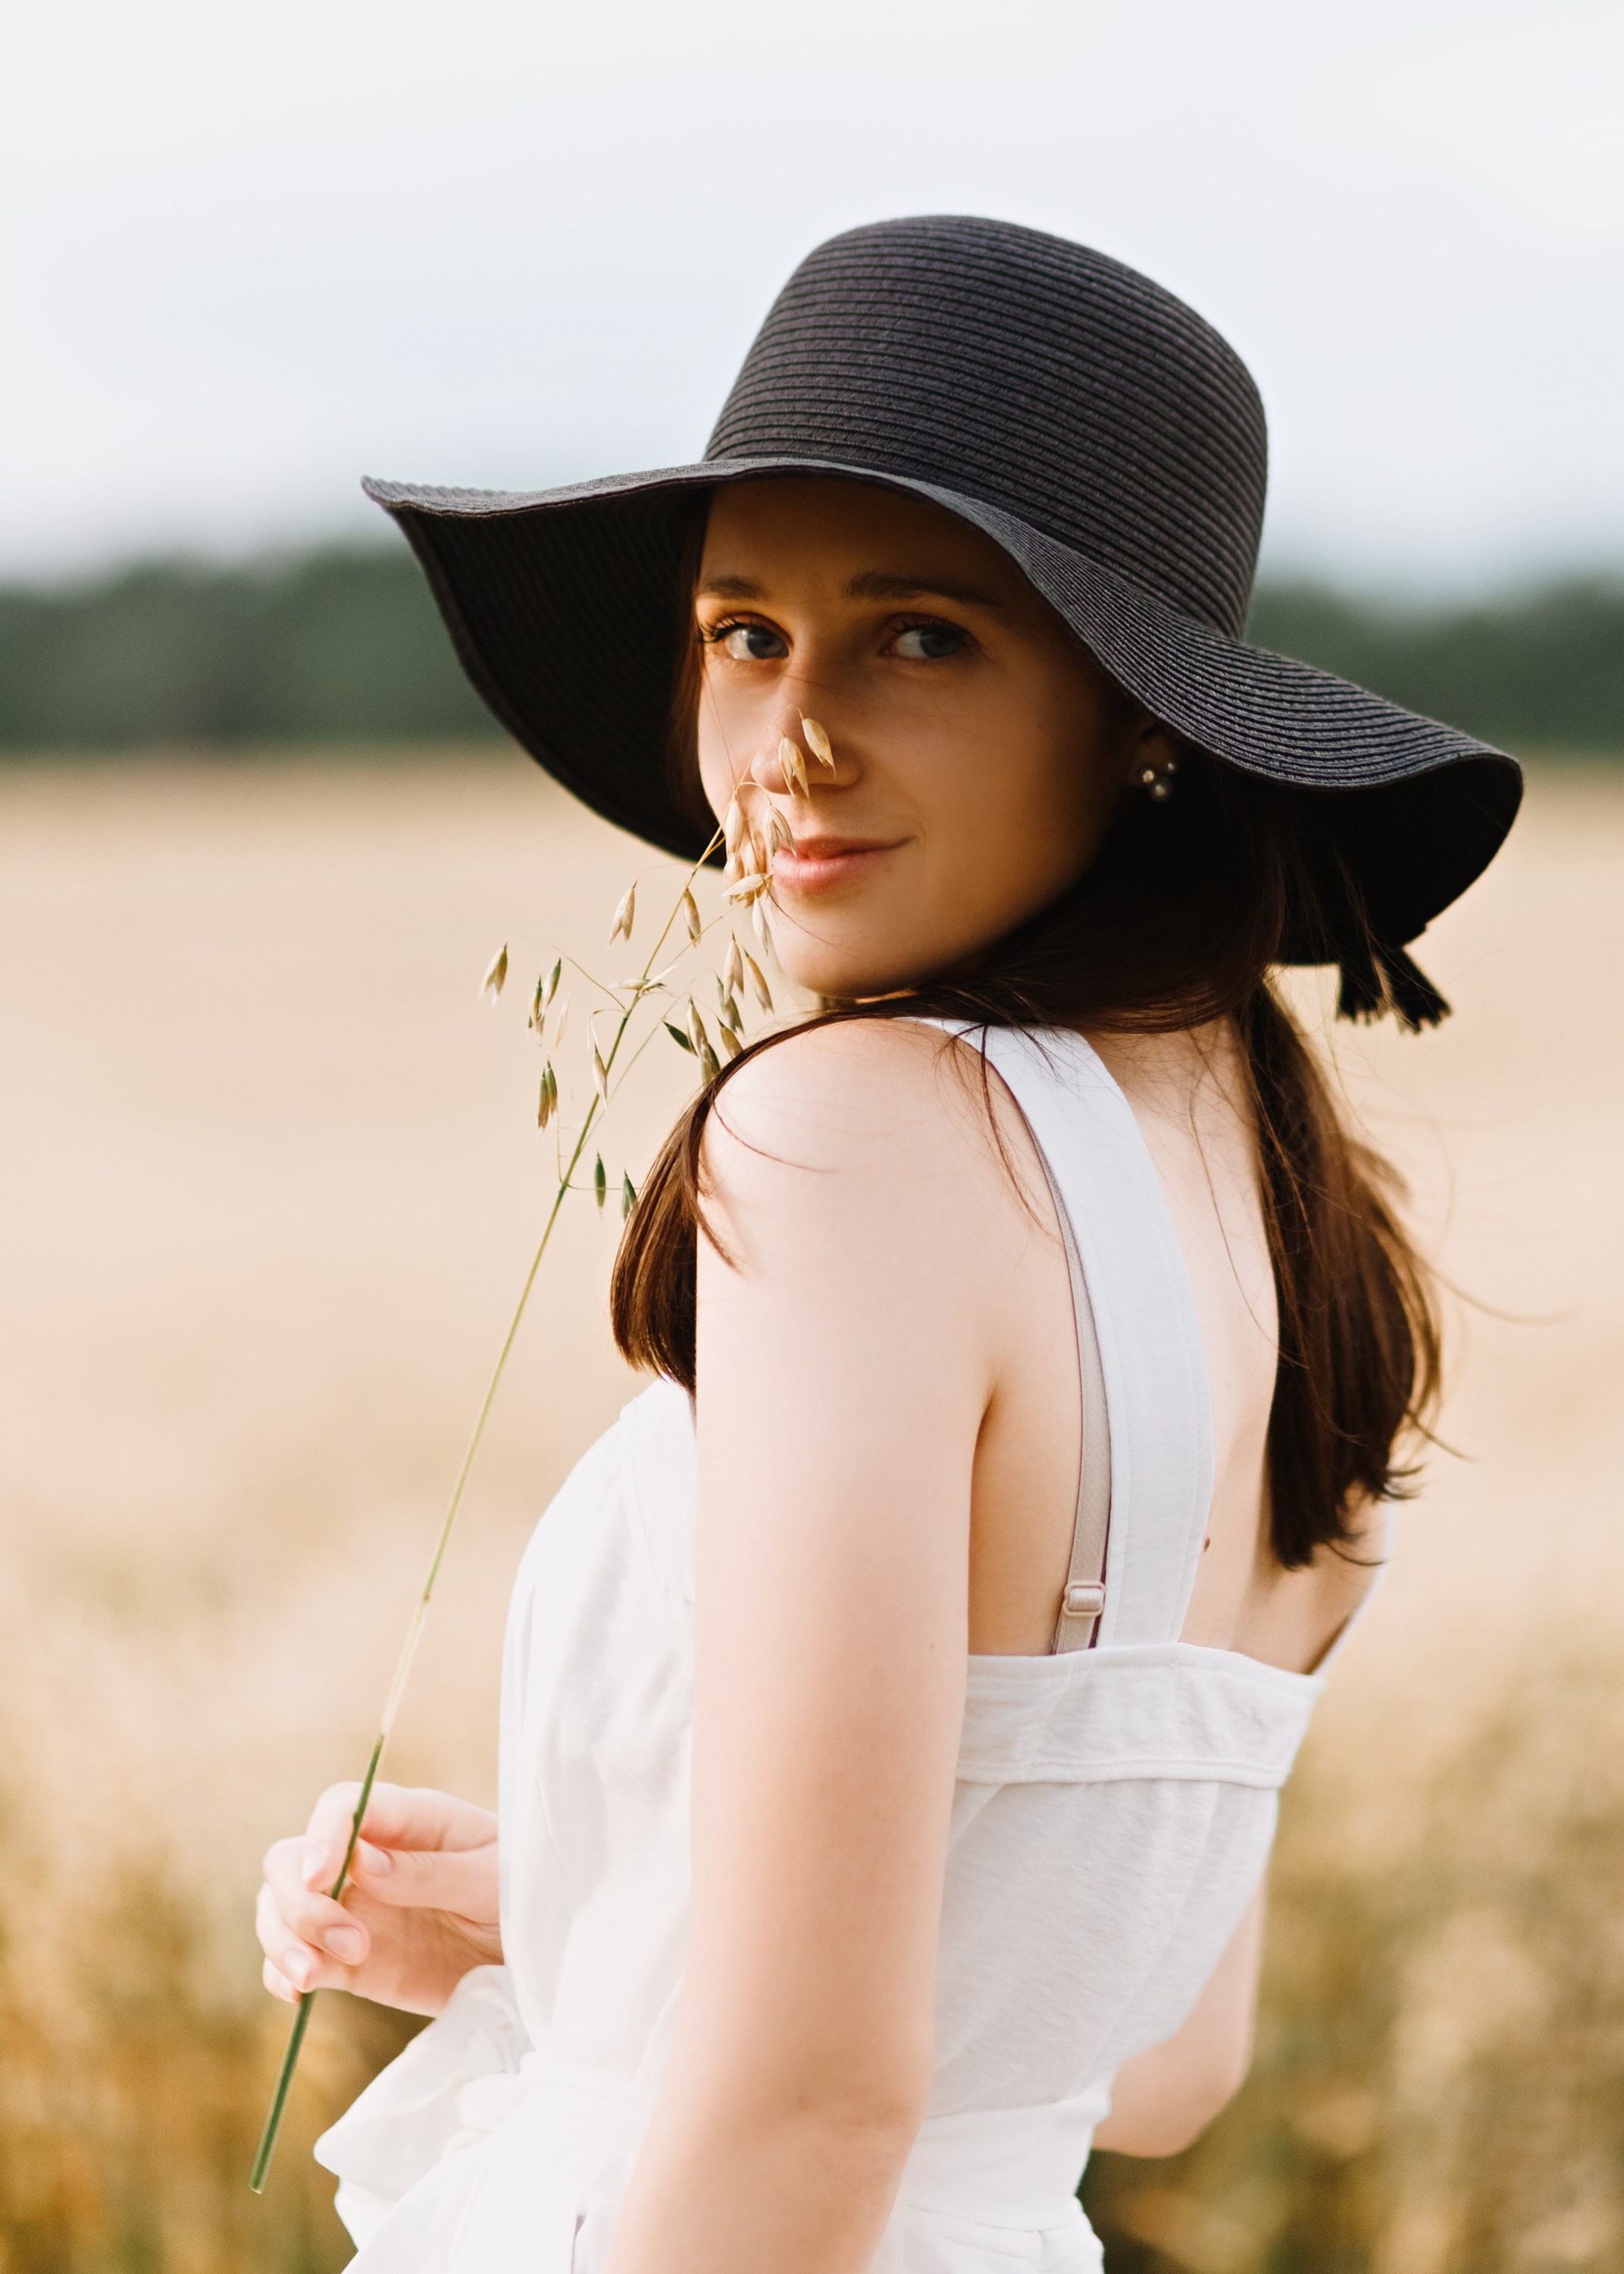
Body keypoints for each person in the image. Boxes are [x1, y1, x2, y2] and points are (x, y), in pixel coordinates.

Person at [255, 217, 1519, 2272]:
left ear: (1140, 715)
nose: (792, 735)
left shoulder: (849, 1143)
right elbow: (1157, 2055)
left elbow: (815, 2103)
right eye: (744, 634)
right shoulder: (1288, 1215)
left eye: (918, 635)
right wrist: (570, 1912)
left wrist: (711, 2036)